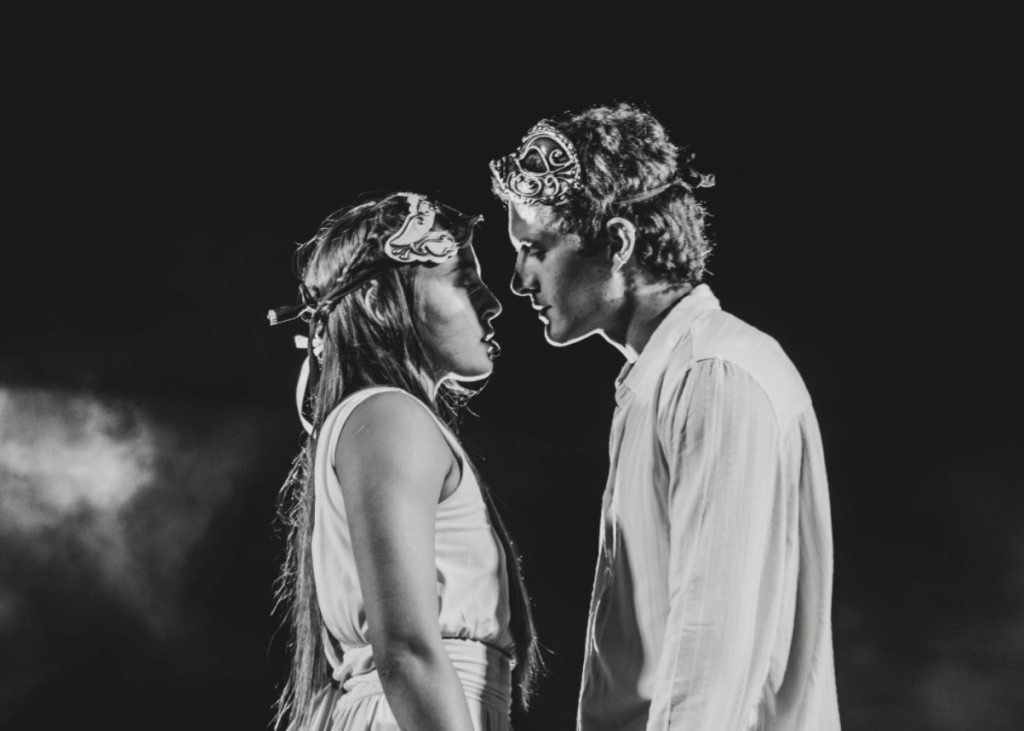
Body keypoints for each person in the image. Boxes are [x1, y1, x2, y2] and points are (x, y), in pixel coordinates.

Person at [489, 105, 841, 730]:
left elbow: (711, 642)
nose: (518, 280)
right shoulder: (668, 376)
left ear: (618, 243)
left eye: (535, 249)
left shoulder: (714, 375)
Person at [267, 192, 541, 731]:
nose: (492, 303)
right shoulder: (390, 417)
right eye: (464, 280)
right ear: (379, 300)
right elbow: (407, 653)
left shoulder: (383, 420)